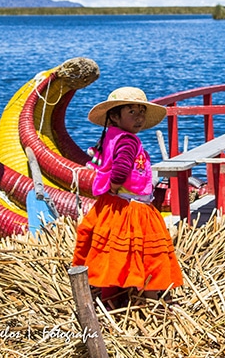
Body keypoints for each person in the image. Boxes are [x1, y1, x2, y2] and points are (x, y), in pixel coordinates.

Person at [72, 87, 183, 308]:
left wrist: (112, 190)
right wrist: (115, 185)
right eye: (132, 112)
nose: (139, 117)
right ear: (114, 115)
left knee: (113, 252)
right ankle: (153, 299)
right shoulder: (128, 141)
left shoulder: (111, 137)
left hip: (112, 204)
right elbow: (121, 169)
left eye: (142, 112)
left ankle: (110, 298)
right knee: (150, 251)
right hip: (131, 206)